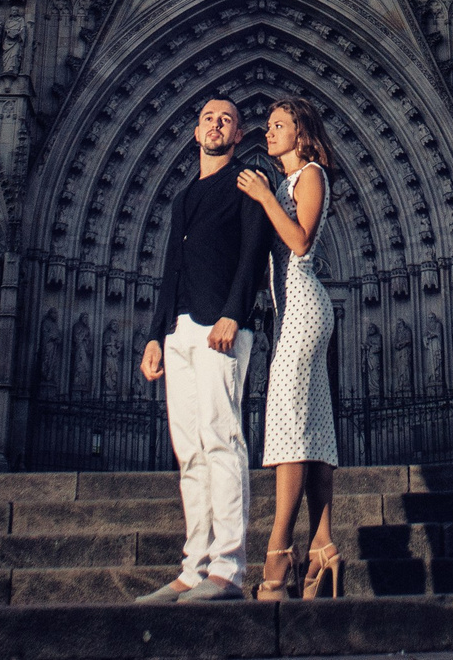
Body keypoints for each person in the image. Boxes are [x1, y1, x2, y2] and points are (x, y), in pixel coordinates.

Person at [135, 96, 270, 604]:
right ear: (196, 132)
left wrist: (235, 313)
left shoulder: (245, 183)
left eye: (226, 120)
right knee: (189, 451)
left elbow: (255, 253)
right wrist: (155, 333)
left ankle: (229, 569)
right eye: (209, 119)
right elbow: (170, 269)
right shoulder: (183, 197)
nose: (216, 125)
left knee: (222, 441)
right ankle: (193, 568)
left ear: (238, 136)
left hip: (221, 327)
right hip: (180, 332)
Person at [236, 97, 342, 600]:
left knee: (286, 429)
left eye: (278, 125)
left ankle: (278, 550)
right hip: (293, 309)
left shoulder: (311, 175)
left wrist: (264, 196)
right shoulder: (284, 183)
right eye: (269, 124)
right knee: (315, 431)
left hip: (304, 307)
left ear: (301, 133)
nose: (268, 130)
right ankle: (322, 546)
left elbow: (300, 243)